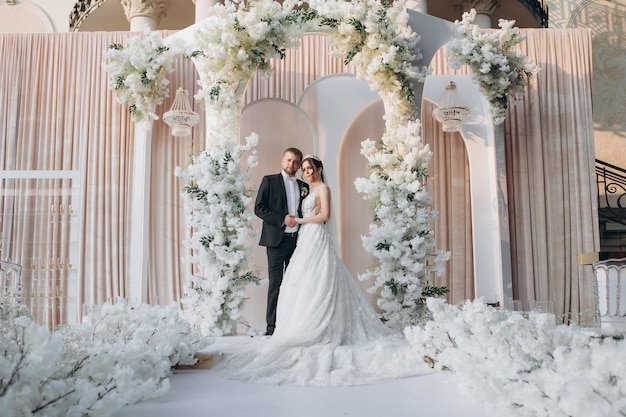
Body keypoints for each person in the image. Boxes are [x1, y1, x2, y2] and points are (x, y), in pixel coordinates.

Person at [211, 155, 432, 386]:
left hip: (314, 235)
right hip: (302, 238)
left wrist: (301, 220)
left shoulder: (323, 188)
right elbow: (266, 208)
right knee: (296, 282)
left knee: (320, 278)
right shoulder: (305, 188)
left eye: (309, 168)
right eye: (303, 168)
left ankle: (320, 324)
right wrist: (297, 221)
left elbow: (324, 216)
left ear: (319, 168)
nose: (306, 172)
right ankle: (281, 326)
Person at [254, 147, 309, 336]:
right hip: (276, 242)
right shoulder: (269, 181)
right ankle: (272, 328)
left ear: (299, 165)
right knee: (275, 284)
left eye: (295, 162)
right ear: (282, 160)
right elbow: (259, 208)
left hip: (298, 242)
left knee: (296, 284)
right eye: (288, 160)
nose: (291, 164)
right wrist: (281, 218)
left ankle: (292, 325)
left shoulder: (304, 186)